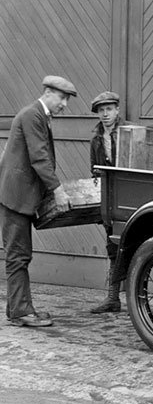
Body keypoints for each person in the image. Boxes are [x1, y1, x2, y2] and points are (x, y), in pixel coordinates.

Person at [0, 76, 75, 327]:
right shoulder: (33, 115)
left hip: (19, 195)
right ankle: (21, 312)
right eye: (62, 98)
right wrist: (58, 190)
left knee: (19, 254)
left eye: (66, 99)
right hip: (15, 196)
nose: (64, 104)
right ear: (47, 93)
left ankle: (18, 309)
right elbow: (39, 157)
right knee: (18, 255)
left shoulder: (39, 115)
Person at [87, 91, 126, 313]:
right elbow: (93, 171)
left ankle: (136, 300)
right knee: (113, 246)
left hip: (129, 198)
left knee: (133, 246)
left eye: (109, 109)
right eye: (101, 111)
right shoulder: (96, 140)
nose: (105, 114)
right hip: (109, 201)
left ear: (117, 110)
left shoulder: (130, 132)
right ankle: (113, 299)